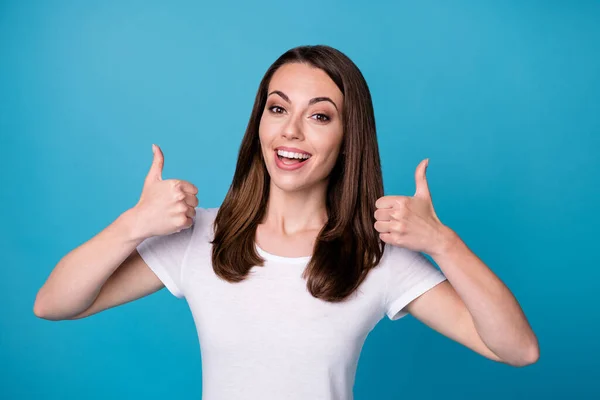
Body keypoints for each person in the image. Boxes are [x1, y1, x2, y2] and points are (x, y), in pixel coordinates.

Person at [34, 45, 539, 399]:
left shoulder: (375, 255)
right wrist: (133, 225)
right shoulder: (202, 237)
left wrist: (443, 242)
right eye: (278, 109)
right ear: (260, 122)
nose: (291, 131)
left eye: (320, 116)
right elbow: (54, 304)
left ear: (348, 137)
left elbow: (517, 350)